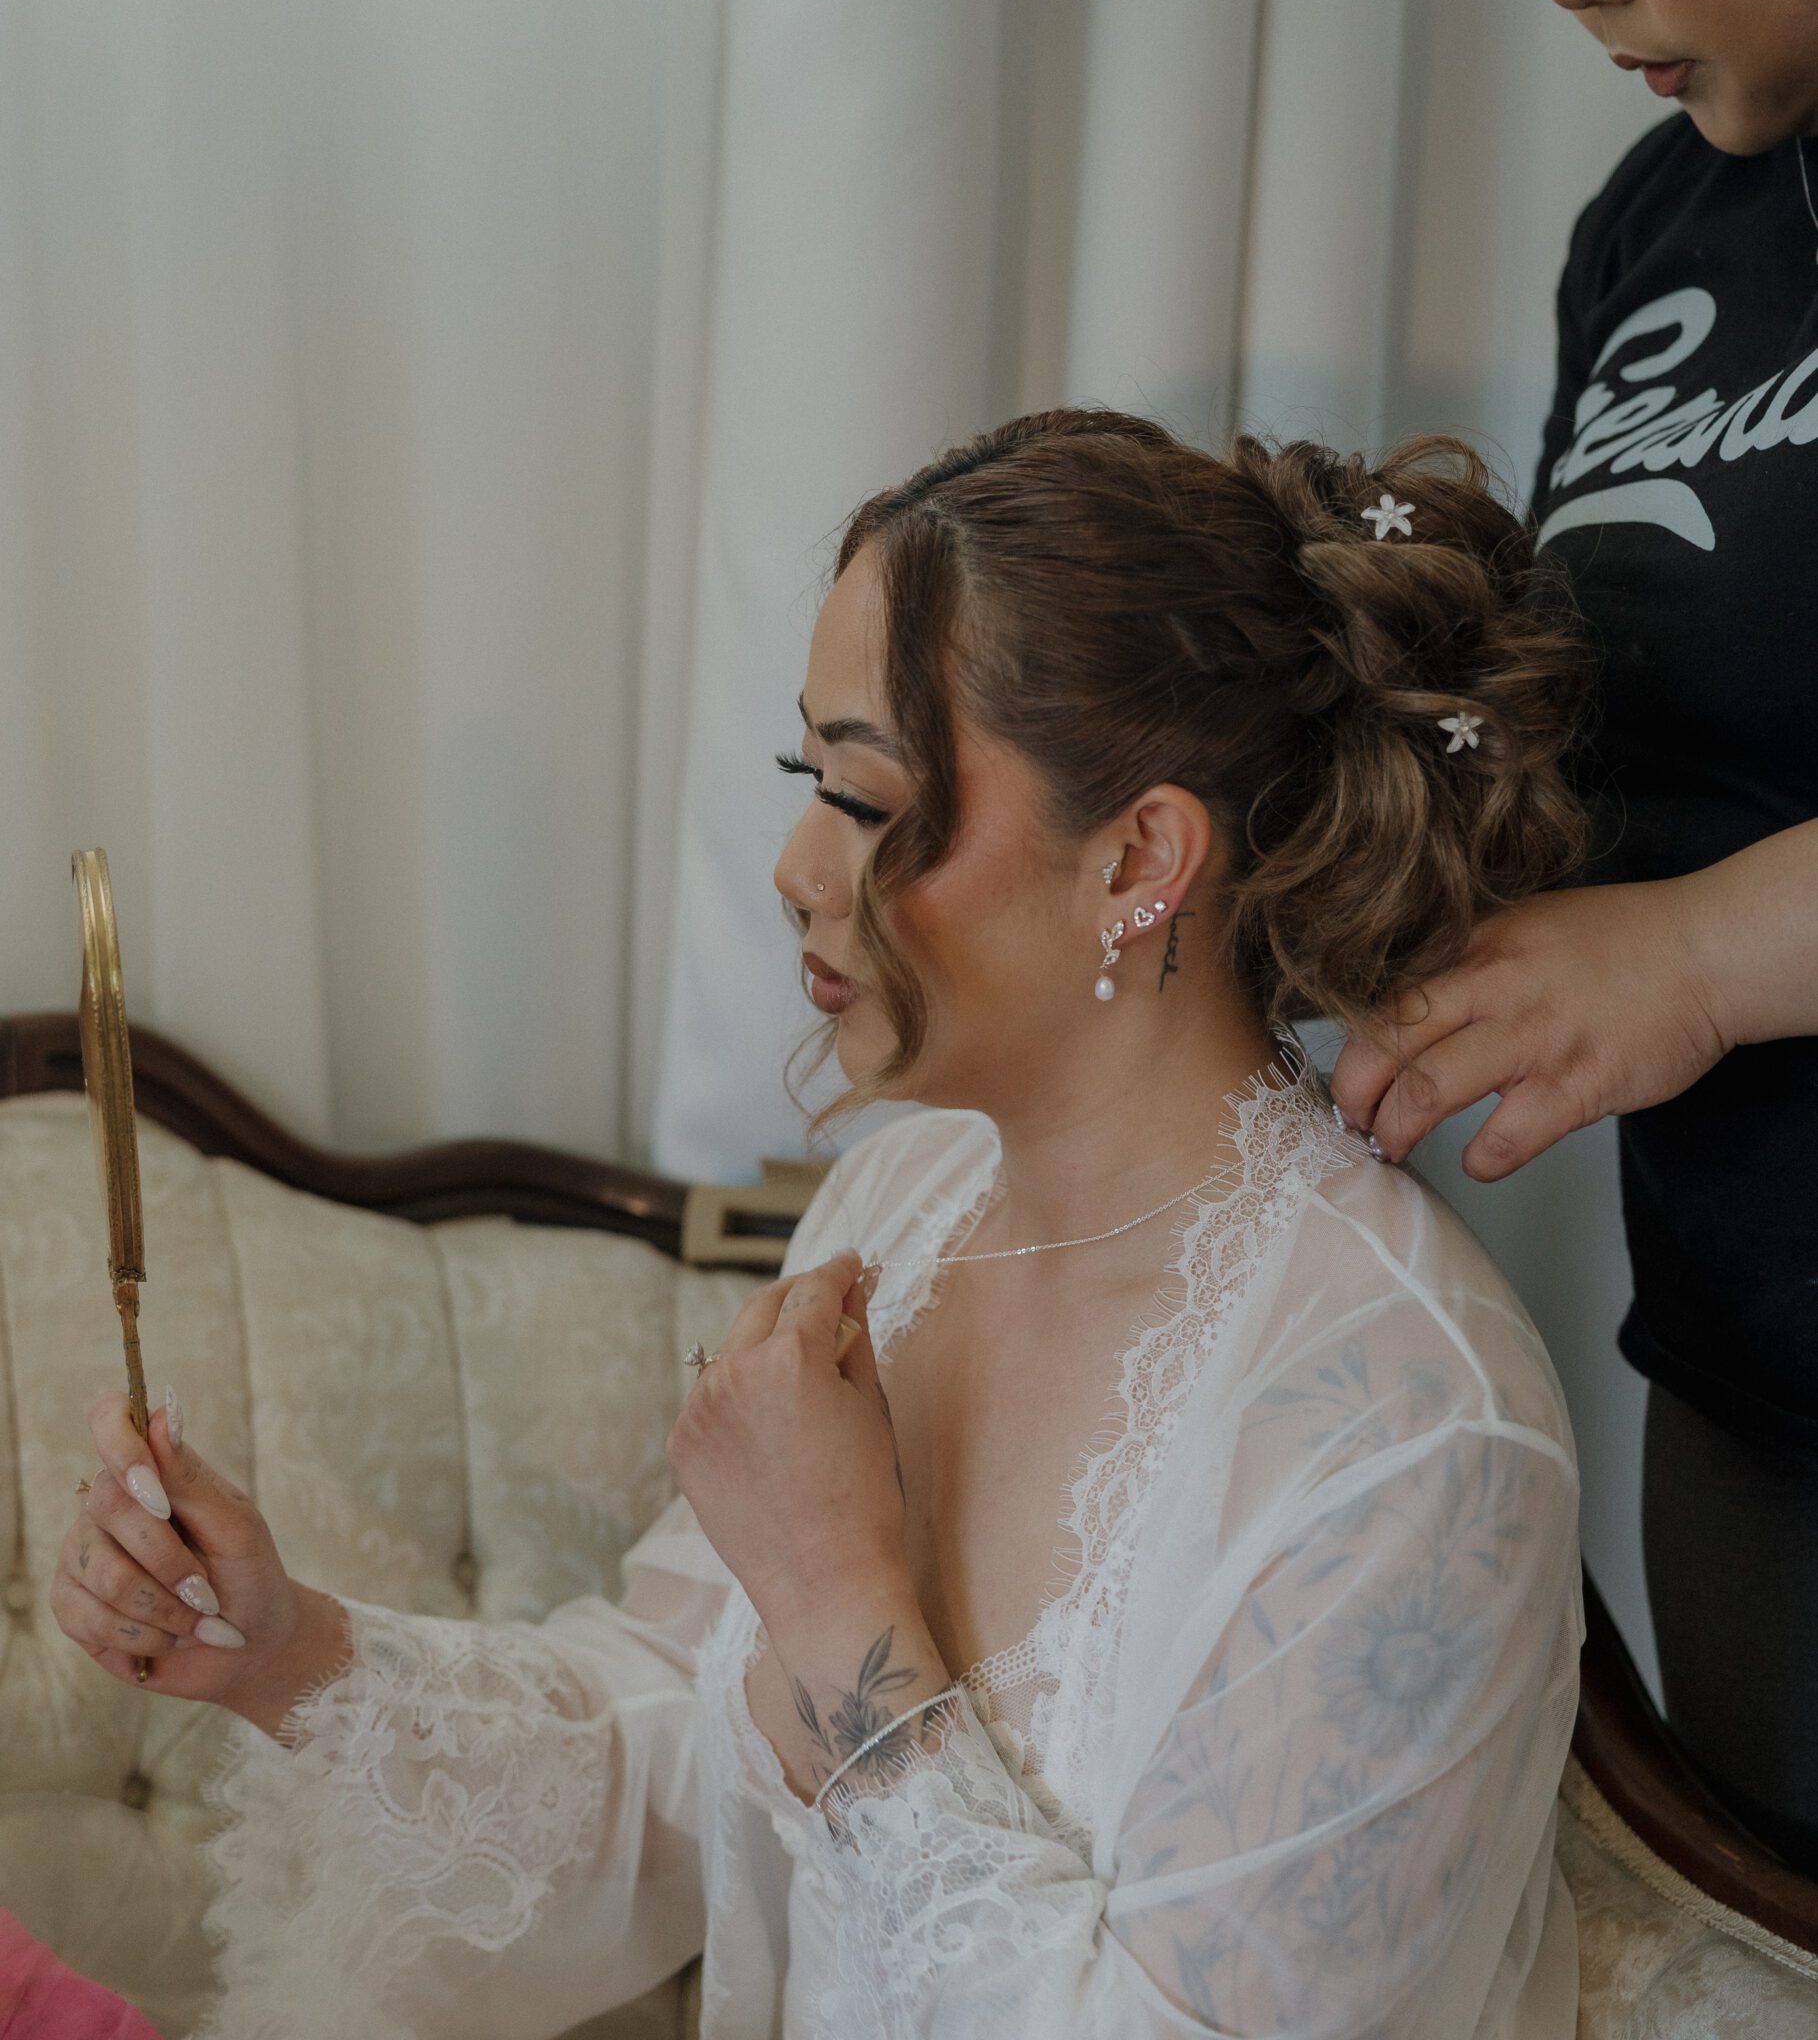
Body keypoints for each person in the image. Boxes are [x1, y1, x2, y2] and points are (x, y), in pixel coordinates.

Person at [55, 415, 1588, 2038]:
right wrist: (292, 1658)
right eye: (810, 784)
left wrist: (839, 1598)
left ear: (1138, 856)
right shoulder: (901, 1211)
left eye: (862, 799)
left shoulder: (1412, 1438)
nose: (794, 868)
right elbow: (673, 1776)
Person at [1333, 0, 1818, 1878]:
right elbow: (1592, 740)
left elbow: (1689, 916)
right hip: (1749, 1394)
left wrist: (1714, 951)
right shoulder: (1663, 221)